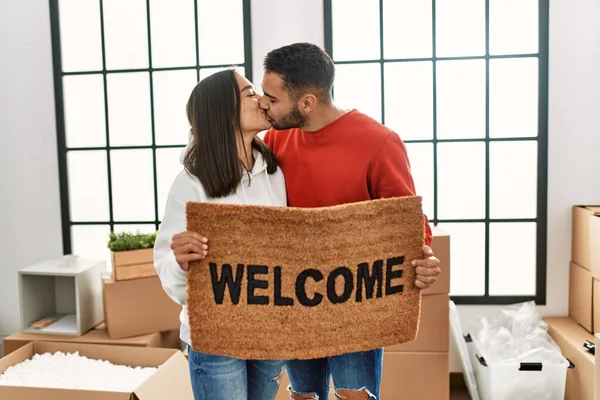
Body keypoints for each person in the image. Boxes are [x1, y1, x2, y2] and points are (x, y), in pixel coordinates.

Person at [259, 42, 442, 400]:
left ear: (307, 102)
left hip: (356, 299)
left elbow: (406, 218)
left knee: (353, 395)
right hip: (298, 298)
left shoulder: (379, 142)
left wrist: (424, 254)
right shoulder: (275, 138)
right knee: (303, 395)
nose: (263, 104)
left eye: (271, 98)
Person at [153, 69, 287, 400]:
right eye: (249, 93)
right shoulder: (190, 183)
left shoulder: (275, 171)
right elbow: (165, 264)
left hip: (269, 330)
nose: (261, 100)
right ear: (223, 112)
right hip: (216, 335)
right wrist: (180, 262)